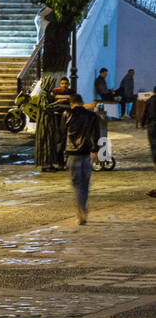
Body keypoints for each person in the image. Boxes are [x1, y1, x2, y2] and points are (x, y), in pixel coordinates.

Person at [63, 93, 101, 225]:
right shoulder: (92, 116)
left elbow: (62, 133)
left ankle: (81, 209)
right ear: (82, 102)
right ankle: (82, 207)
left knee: (77, 183)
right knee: (85, 183)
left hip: (72, 153)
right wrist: (94, 150)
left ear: (71, 103)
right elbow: (96, 134)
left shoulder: (67, 114)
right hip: (87, 153)